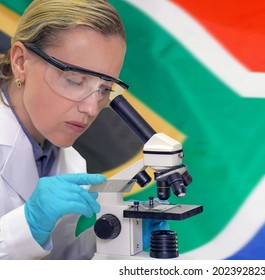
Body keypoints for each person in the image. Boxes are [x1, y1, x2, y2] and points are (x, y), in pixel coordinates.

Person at [0, 0, 164, 259]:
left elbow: (49, 261)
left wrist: (108, 239)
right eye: (75, 81)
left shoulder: (71, 160)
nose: (91, 108)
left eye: (104, 90)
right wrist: (26, 225)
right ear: (21, 61)